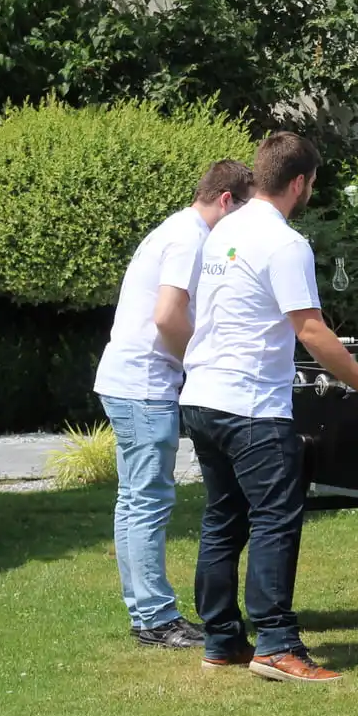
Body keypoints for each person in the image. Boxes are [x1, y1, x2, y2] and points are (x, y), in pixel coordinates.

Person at [179, 132, 358, 683]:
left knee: (222, 519)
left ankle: (222, 641)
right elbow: (311, 331)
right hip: (251, 405)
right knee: (275, 519)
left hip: (202, 396)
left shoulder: (222, 229)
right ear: (300, 183)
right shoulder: (284, 243)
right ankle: (276, 644)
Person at [93, 158, 255, 649]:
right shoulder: (189, 238)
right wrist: (201, 364)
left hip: (125, 381)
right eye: (242, 211)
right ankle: (156, 620)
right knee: (147, 502)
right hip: (145, 387)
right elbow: (167, 316)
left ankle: (146, 612)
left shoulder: (173, 228)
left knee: (134, 502)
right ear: (225, 200)